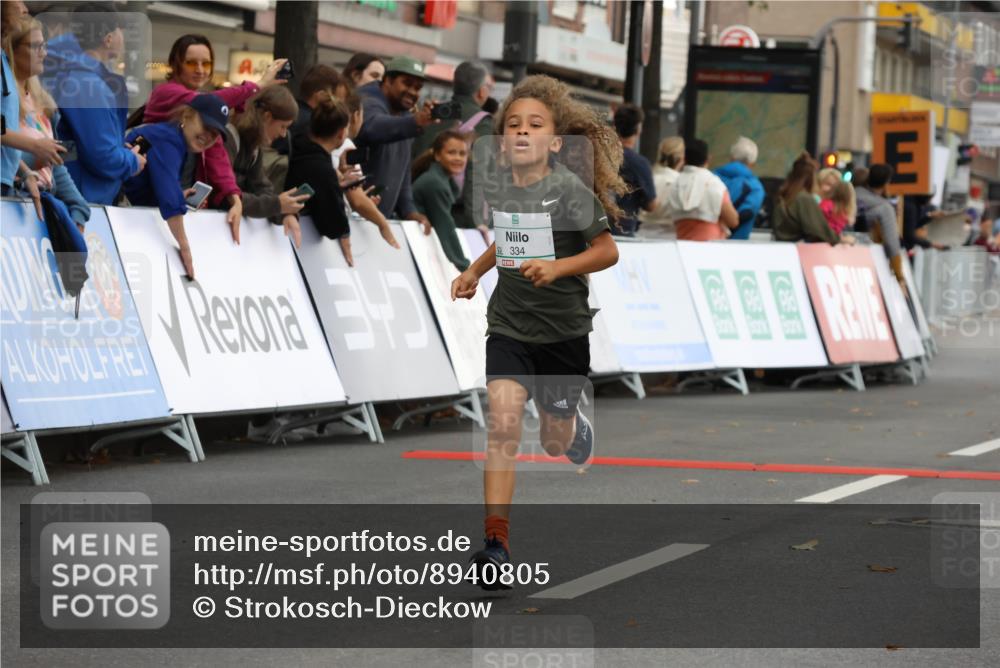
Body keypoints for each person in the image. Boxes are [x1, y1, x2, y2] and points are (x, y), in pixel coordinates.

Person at [449, 75, 625, 589]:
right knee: (502, 424)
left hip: (563, 332)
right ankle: (495, 543)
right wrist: (473, 273)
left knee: (552, 440)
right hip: (509, 325)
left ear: (554, 140)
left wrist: (558, 268)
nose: (522, 132)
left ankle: (571, 429)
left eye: (535, 125)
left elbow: (607, 250)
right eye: (513, 125)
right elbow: (508, 242)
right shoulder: (504, 186)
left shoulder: (567, 188)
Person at [141, 34, 288, 243]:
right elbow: (209, 101)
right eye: (191, 63)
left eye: (206, 63)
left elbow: (216, 153)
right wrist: (258, 85)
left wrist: (234, 197)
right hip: (148, 200)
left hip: (170, 203)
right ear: (176, 64)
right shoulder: (166, 92)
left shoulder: (204, 111)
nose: (200, 69)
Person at [37, 1, 143, 204]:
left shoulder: (77, 76)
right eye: (121, 30)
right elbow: (101, 155)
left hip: (78, 194)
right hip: (83, 201)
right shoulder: (88, 83)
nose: (124, 38)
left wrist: (119, 148)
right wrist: (132, 161)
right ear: (109, 39)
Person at [122, 94, 232, 280]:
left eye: (215, 134)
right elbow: (170, 200)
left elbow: (162, 189)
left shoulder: (176, 139)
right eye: (206, 126)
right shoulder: (169, 139)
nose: (208, 137)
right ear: (187, 115)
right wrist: (185, 248)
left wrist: (176, 195)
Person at [8, 15, 90, 229]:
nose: (43, 53)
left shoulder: (43, 102)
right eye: (35, 46)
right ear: (11, 49)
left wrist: (77, 205)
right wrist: (33, 156)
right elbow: (6, 154)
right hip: (14, 204)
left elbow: (53, 162)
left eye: (43, 46)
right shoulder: (5, 97)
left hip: (40, 208)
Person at [411, 60, 495, 229]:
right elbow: (477, 175)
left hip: (416, 209)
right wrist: (477, 220)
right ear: (481, 91)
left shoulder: (431, 113)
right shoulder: (482, 123)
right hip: (455, 216)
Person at [354, 56, 434, 231]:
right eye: (407, 83)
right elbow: (372, 127)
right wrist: (414, 122)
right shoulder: (367, 100)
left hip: (379, 224)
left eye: (418, 87)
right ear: (388, 80)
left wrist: (409, 211)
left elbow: (403, 169)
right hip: (353, 221)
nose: (413, 92)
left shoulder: (406, 115)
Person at [224, 86, 309, 247]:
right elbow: (227, 197)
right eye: (283, 126)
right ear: (267, 117)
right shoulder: (230, 138)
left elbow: (263, 189)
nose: (284, 134)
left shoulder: (254, 145)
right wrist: (277, 205)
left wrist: (285, 213)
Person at [2, 0, 67, 199]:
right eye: (18, 1)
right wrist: (33, 146)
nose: (25, 8)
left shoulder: (3, 61)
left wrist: (24, 171)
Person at [284, 92, 355, 262]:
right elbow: (333, 226)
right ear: (341, 133)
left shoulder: (293, 144)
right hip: (289, 249)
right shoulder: (322, 170)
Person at [412, 129, 471, 271]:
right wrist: (465, 267)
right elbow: (445, 226)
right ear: (438, 155)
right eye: (451, 152)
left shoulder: (443, 180)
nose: (458, 158)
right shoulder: (435, 183)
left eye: (462, 154)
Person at [666, 138, 738, 241]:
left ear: (684, 159)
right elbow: (733, 221)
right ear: (708, 158)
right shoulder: (714, 184)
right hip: (710, 249)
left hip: (682, 248)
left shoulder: (675, 184)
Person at [271, 63, 347, 158]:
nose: (339, 107)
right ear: (321, 95)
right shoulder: (312, 125)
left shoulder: (290, 114)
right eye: (336, 101)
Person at [771, 152, 839, 244]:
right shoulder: (804, 199)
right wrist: (840, 239)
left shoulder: (784, 196)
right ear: (811, 178)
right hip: (800, 252)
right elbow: (819, 230)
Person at [611, 103, 657, 236]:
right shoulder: (639, 163)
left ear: (615, 127)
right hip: (621, 233)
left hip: (592, 233)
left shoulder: (597, 155)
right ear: (638, 129)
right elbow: (651, 205)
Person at [855, 163, 904, 284]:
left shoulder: (852, 194)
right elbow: (892, 242)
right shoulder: (884, 208)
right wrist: (899, 276)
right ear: (886, 183)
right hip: (871, 263)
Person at [714, 136, 765, 240]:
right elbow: (745, 214)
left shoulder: (711, 177)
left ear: (732, 158)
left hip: (706, 241)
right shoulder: (756, 187)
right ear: (752, 163)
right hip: (736, 245)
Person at [638, 136, 683, 238]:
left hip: (642, 234)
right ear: (681, 158)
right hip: (670, 236)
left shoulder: (649, 177)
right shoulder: (680, 182)